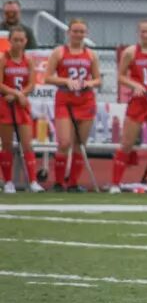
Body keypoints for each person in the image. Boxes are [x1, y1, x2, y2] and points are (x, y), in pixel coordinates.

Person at [111, 19, 147, 194]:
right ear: (138, 33)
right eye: (142, 32)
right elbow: (121, 76)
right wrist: (134, 85)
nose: (145, 35)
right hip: (139, 100)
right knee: (127, 142)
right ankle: (115, 183)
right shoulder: (130, 52)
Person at [44, 18, 100, 192]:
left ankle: (73, 183)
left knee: (80, 144)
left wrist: (89, 83)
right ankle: (59, 182)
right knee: (64, 143)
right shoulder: (59, 52)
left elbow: (98, 79)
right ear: (69, 32)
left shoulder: (91, 54)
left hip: (85, 101)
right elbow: (47, 77)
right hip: (65, 101)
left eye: (81, 31)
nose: (78, 34)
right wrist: (66, 81)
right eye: (75, 31)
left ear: (86, 33)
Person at [0, 26, 43, 193]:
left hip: (21, 104)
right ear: (10, 40)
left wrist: (20, 95)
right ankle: (8, 182)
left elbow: (31, 84)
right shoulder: (3, 59)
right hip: (5, 104)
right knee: (7, 144)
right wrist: (14, 93)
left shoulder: (29, 60)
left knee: (27, 143)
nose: (18, 43)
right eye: (15, 40)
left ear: (26, 41)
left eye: (21, 40)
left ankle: (33, 181)